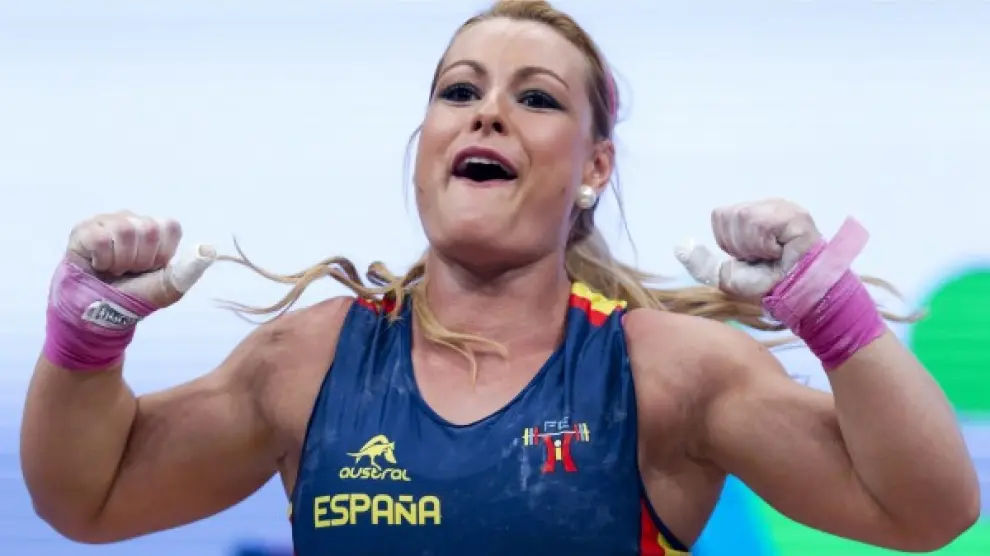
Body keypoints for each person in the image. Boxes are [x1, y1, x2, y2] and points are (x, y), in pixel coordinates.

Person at [21, 1, 979, 555]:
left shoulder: (667, 373)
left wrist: (828, 310)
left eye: (535, 99)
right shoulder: (308, 362)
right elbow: (87, 498)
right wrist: (86, 338)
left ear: (595, 166)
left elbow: (929, 511)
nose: (487, 114)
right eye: (459, 90)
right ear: (426, 145)